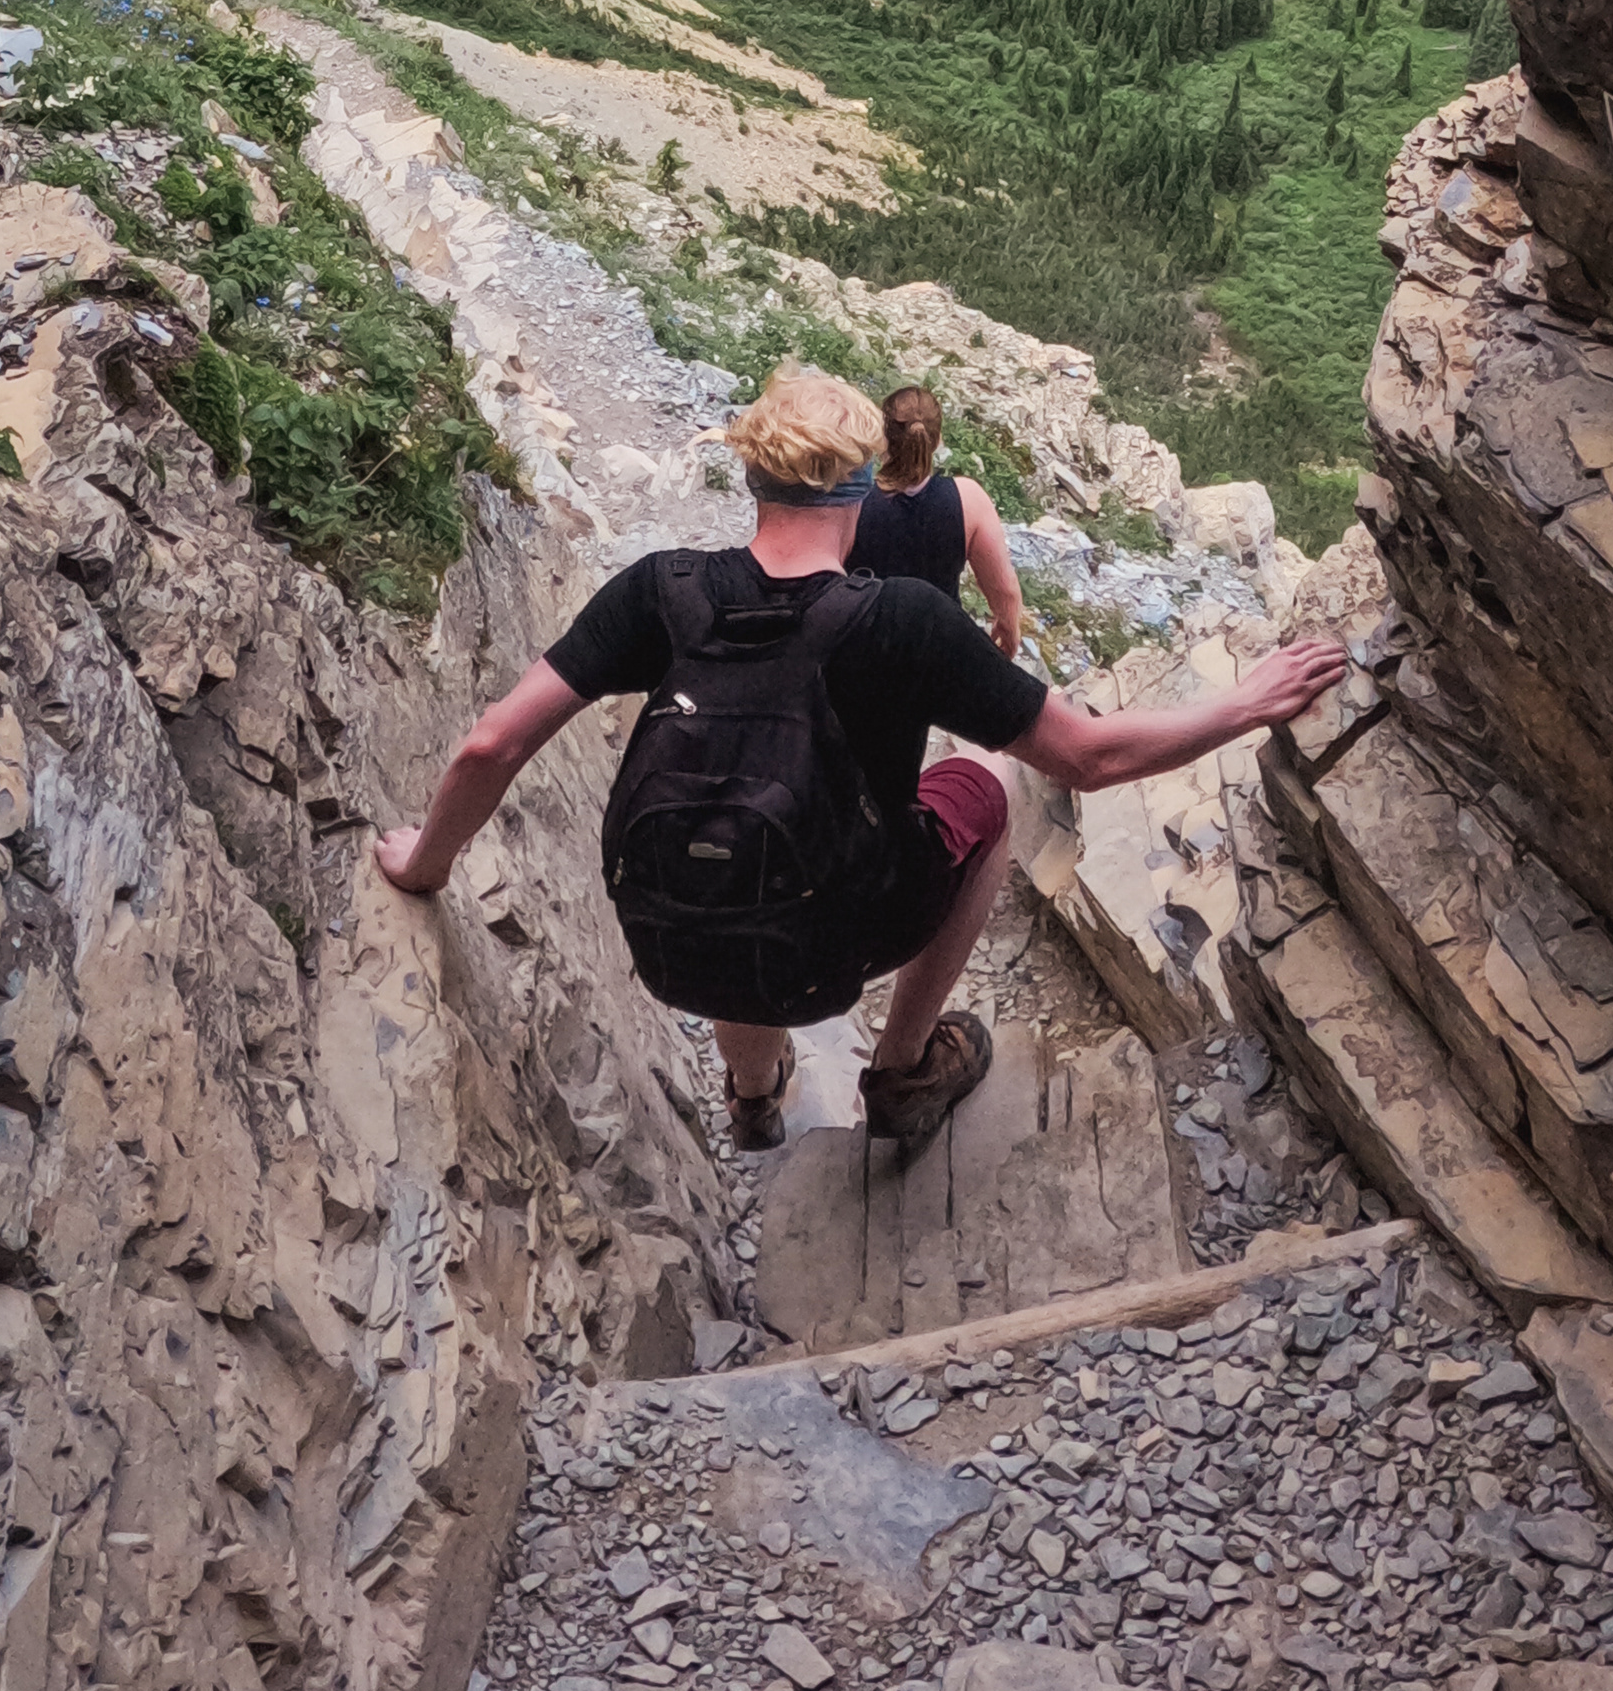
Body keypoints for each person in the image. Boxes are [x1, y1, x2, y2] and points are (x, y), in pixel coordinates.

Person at [372, 359, 1342, 1154]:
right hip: (831, 945)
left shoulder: (661, 591)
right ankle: (903, 1067)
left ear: (751, 475)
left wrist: (425, 863)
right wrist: (1247, 700)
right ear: (858, 483)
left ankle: (754, 1093)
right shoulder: (903, 621)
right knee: (991, 785)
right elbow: (1085, 757)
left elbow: (493, 739)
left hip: (671, 944)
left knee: (727, 830)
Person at [852, 382, 1026, 658]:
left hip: (865, 652)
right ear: (938, 439)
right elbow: (1005, 590)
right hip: (940, 652)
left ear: (882, 437)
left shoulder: (854, 502)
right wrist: (1009, 630)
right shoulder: (969, 499)